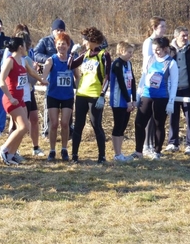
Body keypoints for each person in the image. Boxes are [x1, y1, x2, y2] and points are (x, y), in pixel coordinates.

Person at [0, 37, 48, 165]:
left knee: (23, 128)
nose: (27, 48)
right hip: (11, 99)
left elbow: (32, 72)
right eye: (25, 46)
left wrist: (42, 80)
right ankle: (3, 149)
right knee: (24, 126)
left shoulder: (23, 61)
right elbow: (1, 81)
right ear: (20, 47)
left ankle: (11, 155)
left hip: (20, 99)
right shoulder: (10, 61)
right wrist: (10, 97)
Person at [68, 27, 111, 164]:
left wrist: (102, 95)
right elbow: (70, 66)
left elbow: (107, 77)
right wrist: (72, 54)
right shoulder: (85, 54)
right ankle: (74, 155)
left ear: (92, 40)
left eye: (85, 40)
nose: (83, 42)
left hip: (94, 95)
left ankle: (102, 156)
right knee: (78, 125)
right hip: (81, 94)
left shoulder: (104, 55)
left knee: (96, 124)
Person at [131, 37, 178, 160]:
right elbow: (143, 77)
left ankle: (157, 151)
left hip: (162, 97)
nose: (156, 52)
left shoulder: (171, 63)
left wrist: (171, 102)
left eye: (158, 49)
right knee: (139, 123)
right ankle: (138, 151)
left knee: (159, 124)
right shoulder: (150, 60)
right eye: (154, 49)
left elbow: (174, 84)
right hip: (147, 95)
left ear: (165, 49)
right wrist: (138, 93)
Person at [164, 27, 190, 155]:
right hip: (172, 91)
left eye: (187, 35)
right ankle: (172, 142)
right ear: (176, 36)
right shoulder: (168, 51)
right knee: (173, 117)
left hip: (188, 90)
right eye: (183, 35)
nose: (186, 38)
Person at [34, 19, 75, 139]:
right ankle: (47, 131)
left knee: (67, 112)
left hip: (66, 80)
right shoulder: (44, 41)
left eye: (62, 30)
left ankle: (68, 132)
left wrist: (67, 58)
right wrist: (52, 59)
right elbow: (35, 54)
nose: (59, 32)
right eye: (57, 30)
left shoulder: (69, 41)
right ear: (52, 31)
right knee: (50, 107)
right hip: (50, 77)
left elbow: (75, 57)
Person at [41, 32, 76, 161]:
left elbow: (78, 78)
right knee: (54, 123)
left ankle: (64, 149)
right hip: (53, 95)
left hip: (67, 96)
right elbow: (43, 76)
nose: (61, 46)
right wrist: (43, 79)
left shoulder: (72, 61)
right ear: (56, 45)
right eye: (59, 44)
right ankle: (52, 150)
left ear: (68, 46)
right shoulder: (51, 60)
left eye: (64, 44)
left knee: (65, 123)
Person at [141, 16, 167, 156]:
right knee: (148, 115)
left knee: (156, 116)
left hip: (160, 81)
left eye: (165, 26)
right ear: (154, 27)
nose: (164, 29)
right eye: (162, 26)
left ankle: (152, 145)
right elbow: (148, 63)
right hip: (150, 80)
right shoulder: (148, 42)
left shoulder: (161, 43)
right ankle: (147, 146)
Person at [109, 41, 137, 162]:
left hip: (128, 100)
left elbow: (133, 81)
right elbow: (121, 83)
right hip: (118, 100)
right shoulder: (117, 64)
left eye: (132, 52)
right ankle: (117, 154)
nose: (131, 55)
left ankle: (120, 153)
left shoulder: (128, 64)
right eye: (129, 52)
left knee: (123, 126)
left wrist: (134, 99)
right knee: (118, 125)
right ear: (121, 51)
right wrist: (127, 100)